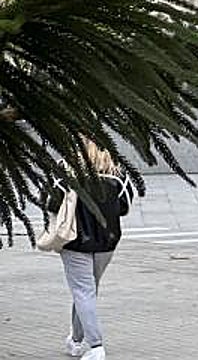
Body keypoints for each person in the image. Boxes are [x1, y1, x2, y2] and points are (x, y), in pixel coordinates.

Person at [46, 139, 134, 360]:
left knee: (83, 291)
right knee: (87, 291)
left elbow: (50, 203)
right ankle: (75, 341)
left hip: (74, 242)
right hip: (107, 242)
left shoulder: (64, 169)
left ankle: (96, 347)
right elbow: (124, 207)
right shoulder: (116, 173)